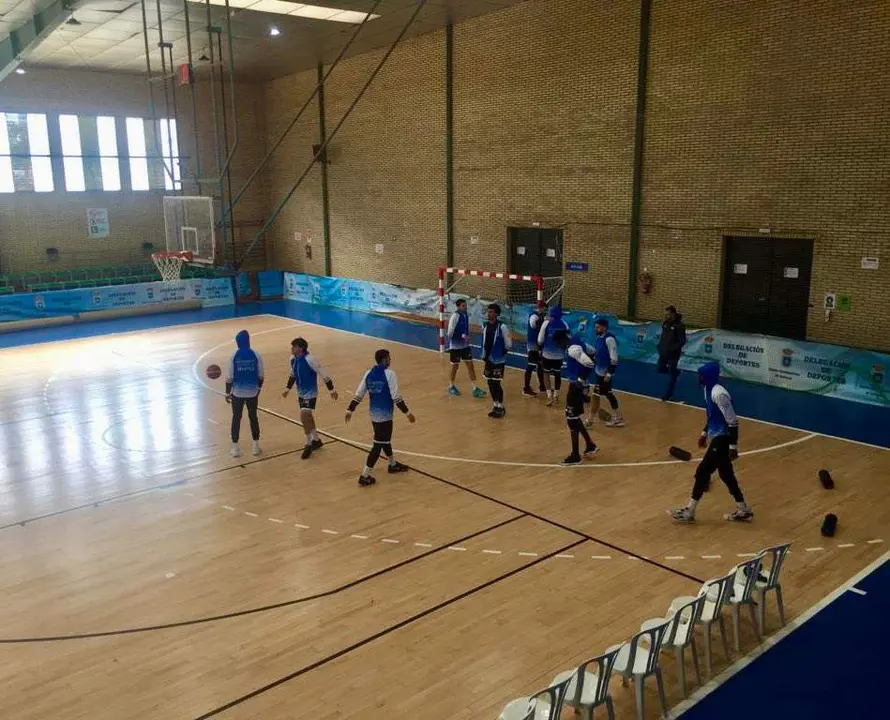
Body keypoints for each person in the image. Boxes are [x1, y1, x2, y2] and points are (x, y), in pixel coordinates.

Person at [669, 361, 753, 523]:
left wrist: (733, 447)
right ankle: (743, 509)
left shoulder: (719, 394)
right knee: (726, 474)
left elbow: (732, 421)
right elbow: (713, 416)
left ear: (708, 376)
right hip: (716, 436)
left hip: (723, 439)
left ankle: (689, 512)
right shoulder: (707, 389)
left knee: (702, 472)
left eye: (701, 375)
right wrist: (704, 433)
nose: (698, 377)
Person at [345, 349, 414, 487]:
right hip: (385, 416)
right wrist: (407, 413)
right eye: (389, 358)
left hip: (373, 415)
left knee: (384, 440)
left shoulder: (368, 373)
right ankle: (364, 475)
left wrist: (350, 409)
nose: (390, 360)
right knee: (378, 444)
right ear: (384, 360)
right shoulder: (390, 374)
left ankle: (392, 464)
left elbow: (359, 393)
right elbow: (396, 396)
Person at [282, 337, 338, 460]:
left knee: (303, 417)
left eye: (294, 346)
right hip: (301, 393)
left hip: (311, 393)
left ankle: (308, 443)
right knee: (308, 418)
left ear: (301, 348)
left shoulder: (311, 359)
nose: (291, 348)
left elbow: (324, 374)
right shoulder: (292, 359)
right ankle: (317, 440)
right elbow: (293, 374)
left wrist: (332, 390)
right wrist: (287, 388)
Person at [555, 330, 599, 465]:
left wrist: (581, 379)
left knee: (571, 419)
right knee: (575, 417)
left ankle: (575, 455)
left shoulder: (572, 349)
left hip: (576, 387)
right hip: (579, 387)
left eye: (558, 344)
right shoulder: (579, 343)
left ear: (562, 341)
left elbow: (590, 363)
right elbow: (593, 352)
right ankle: (590, 444)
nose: (559, 346)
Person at [225, 329, 263, 458]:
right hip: (253, 393)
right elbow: (261, 376)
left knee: (236, 418)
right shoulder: (256, 355)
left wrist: (227, 393)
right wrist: (258, 389)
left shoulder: (233, 356)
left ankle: (235, 448)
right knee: (253, 418)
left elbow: (229, 377)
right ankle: (255, 447)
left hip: (237, 393)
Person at [587, 318, 625, 427]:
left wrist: (609, 373)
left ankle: (590, 420)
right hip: (599, 372)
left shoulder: (609, 339)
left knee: (597, 394)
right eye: (595, 327)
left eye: (598, 327)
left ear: (604, 327)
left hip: (605, 373)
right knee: (607, 394)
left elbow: (614, 358)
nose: (596, 329)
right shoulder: (599, 338)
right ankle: (618, 418)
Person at [446, 298, 486, 399]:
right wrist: (463, 336)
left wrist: (468, 336)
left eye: (466, 305)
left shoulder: (466, 315)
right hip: (455, 347)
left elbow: (465, 329)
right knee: (455, 367)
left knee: (470, 366)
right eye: (463, 306)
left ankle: (475, 388)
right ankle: (451, 386)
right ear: (458, 306)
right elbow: (450, 333)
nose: (465, 307)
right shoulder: (455, 316)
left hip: (465, 346)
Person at [481, 303, 512, 418]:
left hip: (498, 360)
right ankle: (495, 405)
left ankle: (501, 406)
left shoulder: (502, 327)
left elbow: (508, 344)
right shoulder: (485, 326)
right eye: (488, 311)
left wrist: (502, 353)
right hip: (488, 359)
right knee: (490, 382)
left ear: (497, 314)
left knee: (496, 383)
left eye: (491, 312)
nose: (489, 313)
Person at [537, 304, 569, 406]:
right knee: (557, 375)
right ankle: (556, 395)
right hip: (559, 355)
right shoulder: (565, 324)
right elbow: (569, 339)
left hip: (547, 354)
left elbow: (540, 340)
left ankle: (549, 395)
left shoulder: (546, 323)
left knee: (546, 373)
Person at [658, 305, 687, 401]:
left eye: (668, 314)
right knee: (661, 369)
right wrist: (660, 346)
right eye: (665, 314)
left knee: (671, 374)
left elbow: (682, 340)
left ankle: (668, 395)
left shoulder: (679, 325)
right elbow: (664, 336)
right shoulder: (665, 323)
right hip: (664, 351)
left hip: (673, 353)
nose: (667, 316)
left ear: (673, 313)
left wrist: (673, 348)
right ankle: (676, 372)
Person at [522, 303, 548, 397]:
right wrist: (542, 322)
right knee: (531, 366)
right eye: (544, 309)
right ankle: (526, 388)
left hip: (539, 345)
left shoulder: (541, 316)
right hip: (533, 345)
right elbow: (533, 324)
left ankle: (542, 386)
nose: (545, 311)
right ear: (540, 308)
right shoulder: (534, 316)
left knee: (540, 365)